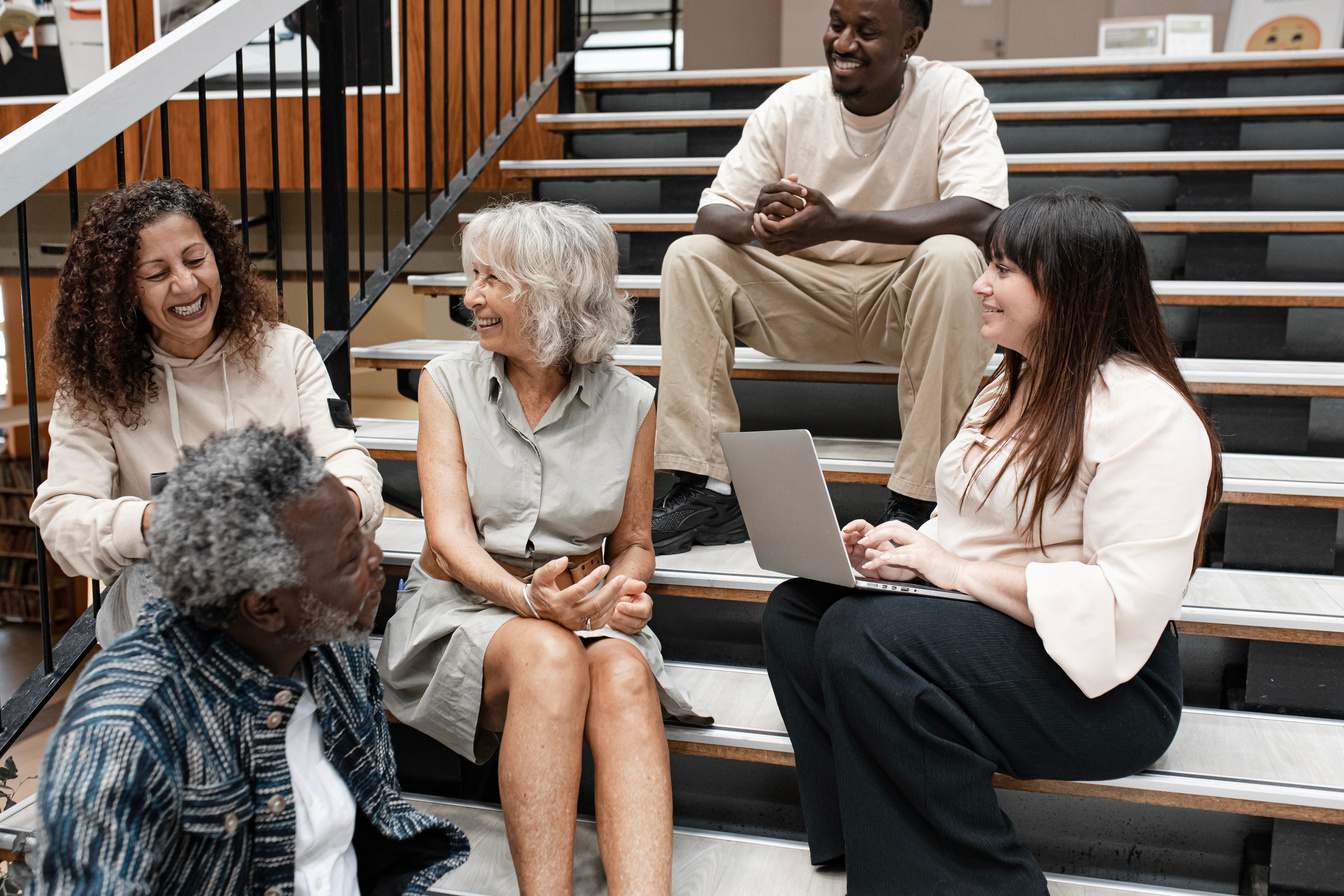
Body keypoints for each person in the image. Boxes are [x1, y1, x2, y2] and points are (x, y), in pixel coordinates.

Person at [761, 190, 1223, 895]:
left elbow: (1121, 602)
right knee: (798, 611)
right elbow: (973, 527)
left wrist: (949, 568)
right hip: (996, 629)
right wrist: (907, 550)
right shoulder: (1007, 384)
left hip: (1106, 689)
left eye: (1004, 270)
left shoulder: (1149, 414)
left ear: (1070, 287)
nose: (980, 284)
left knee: (867, 635)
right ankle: (868, 837)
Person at [377, 201, 708, 896]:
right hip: (464, 606)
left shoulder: (632, 402)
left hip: (579, 609)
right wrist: (529, 601)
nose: (471, 297)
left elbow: (635, 543)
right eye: (473, 276)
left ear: (555, 292)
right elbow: (447, 540)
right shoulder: (446, 382)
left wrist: (620, 590)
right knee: (549, 654)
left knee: (623, 676)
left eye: (492, 279)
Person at [32, 426, 468, 896]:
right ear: (265, 607)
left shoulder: (331, 647)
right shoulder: (125, 728)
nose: (377, 557)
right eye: (349, 557)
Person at [651, 0, 1009, 554]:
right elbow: (711, 214)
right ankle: (708, 488)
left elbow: (982, 215)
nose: (843, 43)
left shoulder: (950, 92)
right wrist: (761, 223)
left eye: (866, 31)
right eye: (837, 25)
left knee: (954, 257)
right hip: (805, 301)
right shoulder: (792, 103)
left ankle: (920, 500)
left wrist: (841, 223)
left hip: (904, 301)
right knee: (692, 255)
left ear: (910, 41)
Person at [30, 178, 383, 646]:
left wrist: (323, 510)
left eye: (196, 260)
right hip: (163, 592)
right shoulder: (92, 387)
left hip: (286, 573)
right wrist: (163, 520)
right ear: (121, 291)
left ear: (219, 258)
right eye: (156, 273)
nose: (186, 283)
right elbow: (63, 518)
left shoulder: (286, 350)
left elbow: (349, 463)